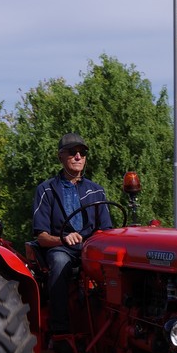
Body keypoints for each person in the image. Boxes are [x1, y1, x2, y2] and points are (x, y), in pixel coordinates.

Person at [32, 133, 113, 334]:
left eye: (82, 153)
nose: (78, 157)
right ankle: (60, 329)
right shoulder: (46, 190)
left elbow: (107, 230)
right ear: (60, 156)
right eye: (72, 152)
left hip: (91, 249)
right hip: (62, 249)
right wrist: (62, 239)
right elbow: (41, 237)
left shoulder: (96, 190)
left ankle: (113, 322)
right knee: (59, 262)